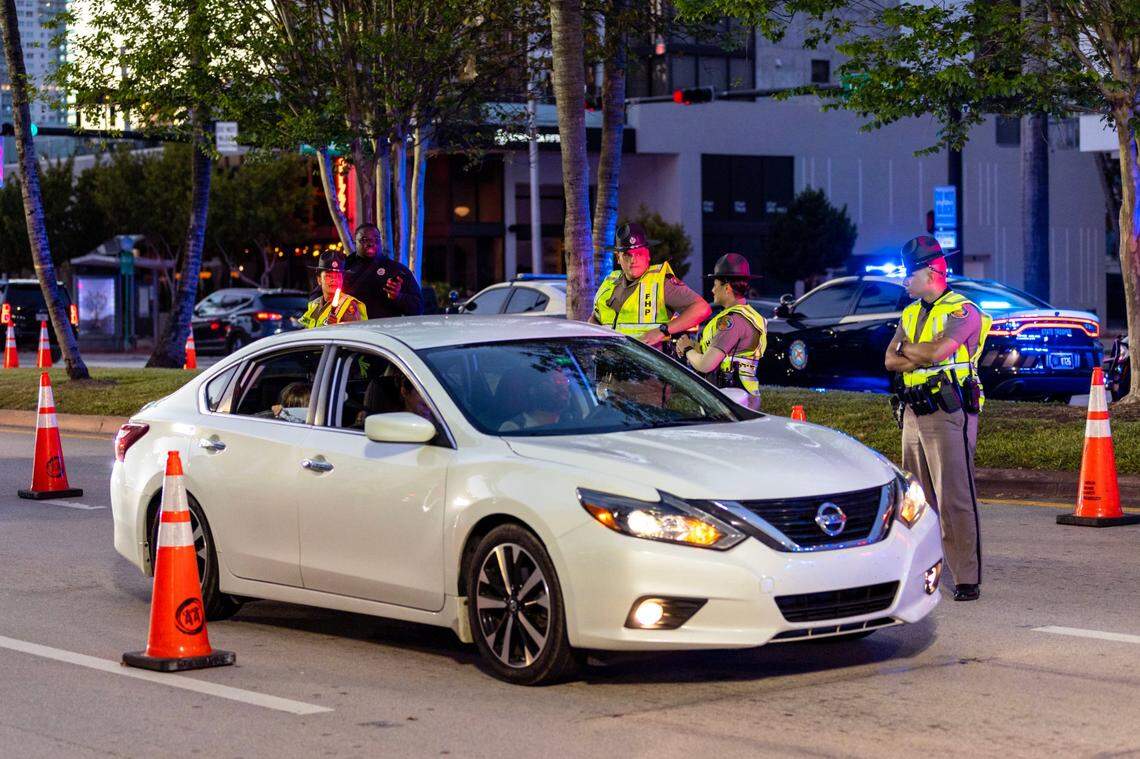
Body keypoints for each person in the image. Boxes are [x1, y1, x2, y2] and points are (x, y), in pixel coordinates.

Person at [884, 235, 992, 602]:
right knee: (920, 500)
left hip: (949, 413)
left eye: (908, 273)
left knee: (955, 497)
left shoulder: (962, 311)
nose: (903, 280)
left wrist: (909, 351)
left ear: (930, 273)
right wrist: (916, 353)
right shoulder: (911, 312)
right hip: (913, 412)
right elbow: (889, 359)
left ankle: (966, 578)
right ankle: (926, 570)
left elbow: (938, 352)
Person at [589, 222, 710, 347]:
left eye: (639, 253)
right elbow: (595, 317)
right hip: (609, 363)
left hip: (647, 365)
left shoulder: (661, 283)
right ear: (617, 258)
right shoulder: (610, 282)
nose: (633, 260)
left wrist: (662, 330)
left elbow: (702, 308)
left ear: (648, 255)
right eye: (627, 254)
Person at [675, 253, 767, 410]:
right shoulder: (751, 316)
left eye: (715, 284)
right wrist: (695, 347)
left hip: (731, 399)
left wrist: (687, 348)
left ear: (726, 287)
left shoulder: (732, 321)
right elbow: (723, 356)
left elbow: (706, 364)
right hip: (742, 396)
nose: (712, 290)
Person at [343, 223, 423, 319]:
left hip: (385, 330)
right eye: (364, 239)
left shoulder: (397, 270)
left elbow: (418, 308)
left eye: (376, 239)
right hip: (351, 330)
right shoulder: (343, 268)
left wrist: (398, 296)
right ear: (355, 242)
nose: (371, 243)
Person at [299, 250, 367, 327]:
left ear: (342, 280)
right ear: (319, 280)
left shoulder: (348, 306)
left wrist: (336, 329)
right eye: (328, 276)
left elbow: (354, 335)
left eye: (337, 276)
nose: (334, 280)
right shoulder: (315, 304)